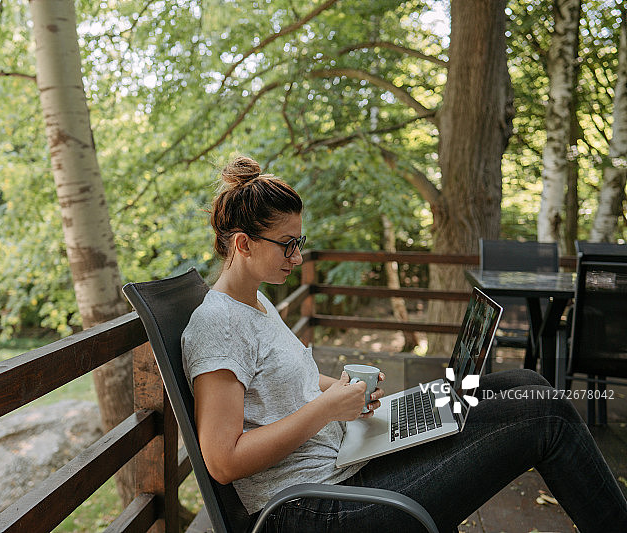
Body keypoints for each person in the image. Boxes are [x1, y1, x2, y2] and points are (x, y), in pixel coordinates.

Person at [181, 156, 627, 533]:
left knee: (526, 381)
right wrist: (327, 409)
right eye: (287, 245)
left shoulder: (255, 302)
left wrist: (345, 390)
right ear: (243, 244)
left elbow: (288, 381)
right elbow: (224, 461)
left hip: (344, 464)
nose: (297, 257)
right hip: (313, 509)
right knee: (546, 415)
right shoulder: (217, 325)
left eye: (300, 243)